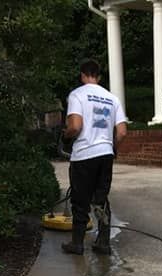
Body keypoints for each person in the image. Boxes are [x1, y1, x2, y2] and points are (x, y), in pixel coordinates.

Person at [61, 59, 127, 257]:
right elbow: (122, 132)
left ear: (82, 75)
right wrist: (112, 148)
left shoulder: (77, 94)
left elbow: (75, 126)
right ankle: (103, 243)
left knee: (80, 200)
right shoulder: (112, 98)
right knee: (100, 198)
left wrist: (66, 136)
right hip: (105, 154)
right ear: (98, 76)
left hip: (84, 154)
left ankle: (77, 244)